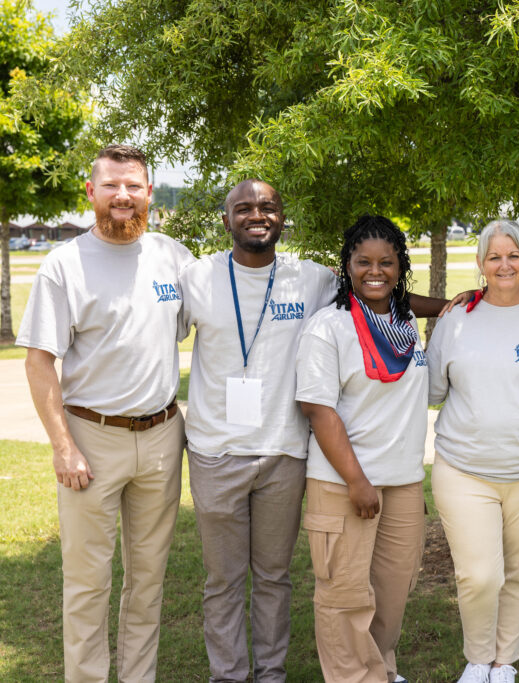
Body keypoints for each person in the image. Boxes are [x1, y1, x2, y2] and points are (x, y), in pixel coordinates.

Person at [18, 144, 195, 682]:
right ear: (90, 192)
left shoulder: (174, 257)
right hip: (91, 440)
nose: (123, 196)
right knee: (87, 583)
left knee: (148, 582)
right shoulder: (63, 264)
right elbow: (39, 362)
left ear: (149, 193)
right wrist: (62, 446)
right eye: (111, 185)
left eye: (134, 186)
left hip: (163, 436)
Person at [178, 179, 338, 682]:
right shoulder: (196, 277)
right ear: (226, 220)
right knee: (223, 580)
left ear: (282, 218)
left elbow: (378, 294)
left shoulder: (311, 280)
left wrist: (467, 301)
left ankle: (271, 674)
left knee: (274, 576)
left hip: (284, 453)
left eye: (267, 207)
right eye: (243, 207)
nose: (256, 214)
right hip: (215, 453)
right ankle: (227, 675)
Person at [427, 220, 519, 683]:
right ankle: (476, 659)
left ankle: (504, 662)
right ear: (481, 265)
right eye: (494, 256)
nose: (504, 264)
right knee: (480, 576)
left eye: (513, 255)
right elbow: (430, 390)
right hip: (464, 469)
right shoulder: (457, 317)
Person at [296, 215, 429, 683]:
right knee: (345, 595)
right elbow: (319, 411)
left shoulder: (406, 323)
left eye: (386, 262)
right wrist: (357, 481)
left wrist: (455, 303)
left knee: (393, 590)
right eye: (363, 262)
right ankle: (354, 676)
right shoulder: (327, 328)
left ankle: (382, 670)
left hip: (403, 482)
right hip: (344, 483)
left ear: (400, 266)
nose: (375, 271)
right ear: (346, 265)